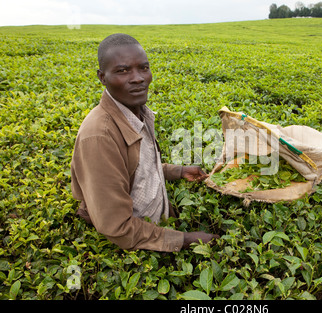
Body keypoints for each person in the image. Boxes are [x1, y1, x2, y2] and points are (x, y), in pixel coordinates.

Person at [70, 33, 219, 252]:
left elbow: (135, 168)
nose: (138, 78)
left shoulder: (136, 112)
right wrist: (185, 239)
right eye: (123, 71)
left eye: (143, 68)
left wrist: (177, 171)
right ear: (102, 77)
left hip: (157, 224)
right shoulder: (99, 137)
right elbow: (116, 227)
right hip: (139, 247)